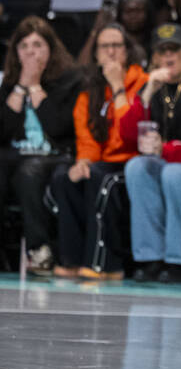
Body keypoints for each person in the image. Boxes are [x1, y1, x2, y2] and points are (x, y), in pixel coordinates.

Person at [120, 24, 181, 283]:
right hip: (170, 167)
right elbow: (128, 136)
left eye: (174, 49)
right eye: (162, 51)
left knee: (173, 174)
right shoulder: (153, 89)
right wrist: (146, 94)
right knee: (137, 167)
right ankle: (150, 257)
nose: (168, 56)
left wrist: (164, 149)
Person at [49, 24, 148, 279]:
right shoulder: (88, 92)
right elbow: (86, 136)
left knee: (101, 178)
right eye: (105, 47)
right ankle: (71, 260)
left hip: (133, 163)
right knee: (64, 178)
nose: (111, 52)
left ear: (127, 51)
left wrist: (118, 87)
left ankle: (106, 265)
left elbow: (129, 136)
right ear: (96, 54)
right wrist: (83, 161)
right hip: (101, 163)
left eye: (117, 46)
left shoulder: (142, 84)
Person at [0, 17, 81, 275]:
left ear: (50, 49)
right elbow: (2, 132)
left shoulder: (69, 81)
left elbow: (57, 128)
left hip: (55, 155)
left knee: (29, 170)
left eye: (37, 45)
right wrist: (21, 85)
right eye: (23, 46)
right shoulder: (9, 85)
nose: (30, 51)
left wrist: (34, 85)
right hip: (15, 153)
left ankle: (39, 250)